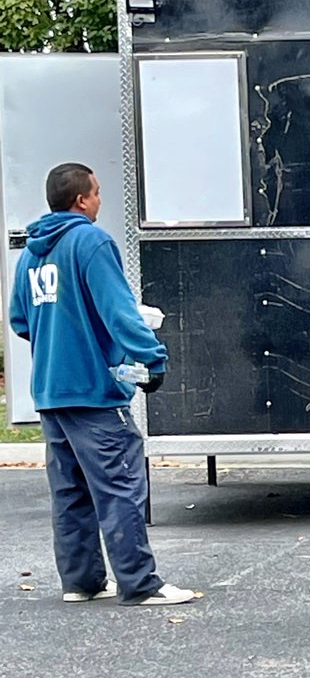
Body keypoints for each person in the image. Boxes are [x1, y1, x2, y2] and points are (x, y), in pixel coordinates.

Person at [7, 162, 195, 606]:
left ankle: (82, 582)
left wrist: (62, 334)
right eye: (97, 192)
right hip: (93, 388)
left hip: (51, 390)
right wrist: (152, 355)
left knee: (70, 490)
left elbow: (20, 319)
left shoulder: (32, 252)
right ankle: (140, 583)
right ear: (82, 199)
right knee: (119, 484)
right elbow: (118, 310)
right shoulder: (90, 241)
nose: (100, 199)